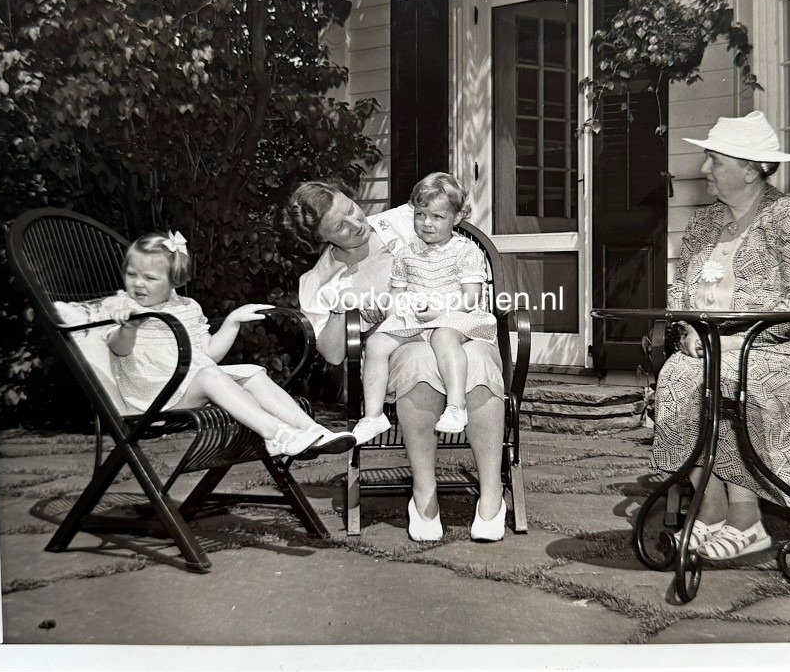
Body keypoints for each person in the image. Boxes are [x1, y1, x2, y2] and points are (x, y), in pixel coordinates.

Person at [653, 111, 790, 560]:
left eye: (714, 160)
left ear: (751, 169)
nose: (704, 170)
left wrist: (738, 341)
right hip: (714, 347)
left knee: (730, 378)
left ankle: (747, 521)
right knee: (679, 375)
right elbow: (680, 290)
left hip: (786, 352)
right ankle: (710, 513)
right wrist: (691, 327)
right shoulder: (704, 223)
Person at [287, 179, 508, 542]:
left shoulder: (403, 220)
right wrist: (348, 307)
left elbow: (446, 198)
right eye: (340, 226)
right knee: (419, 363)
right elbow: (332, 352)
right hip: (400, 344)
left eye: (351, 209)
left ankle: (492, 494)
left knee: (479, 361)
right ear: (322, 238)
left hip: (458, 327)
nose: (357, 223)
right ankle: (424, 492)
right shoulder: (319, 280)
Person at [55, 230, 356, 459]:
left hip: (186, 388)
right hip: (153, 402)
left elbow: (207, 354)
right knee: (211, 375)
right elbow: (119, 350)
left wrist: (234, 320)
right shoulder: (119, 305)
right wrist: (128, 326)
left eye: (149, 277)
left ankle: (311, 430)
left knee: (252, 373)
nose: (138, 284)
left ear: (174, 281)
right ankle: (275, 433)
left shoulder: (186, 306)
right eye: (132, 274)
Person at [352, 172, 497, 446]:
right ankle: (373, 415)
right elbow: (396, 293)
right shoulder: (407, 253)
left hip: (457, 318)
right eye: (420, 215)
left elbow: (470, 300)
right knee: (376, 344)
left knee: (443, 336)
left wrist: (440, 313)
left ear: (456, 218)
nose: (427, 223)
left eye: (437, 217)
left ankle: (456, 406)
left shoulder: (465, 251)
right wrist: (386, 310)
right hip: (417, 319)